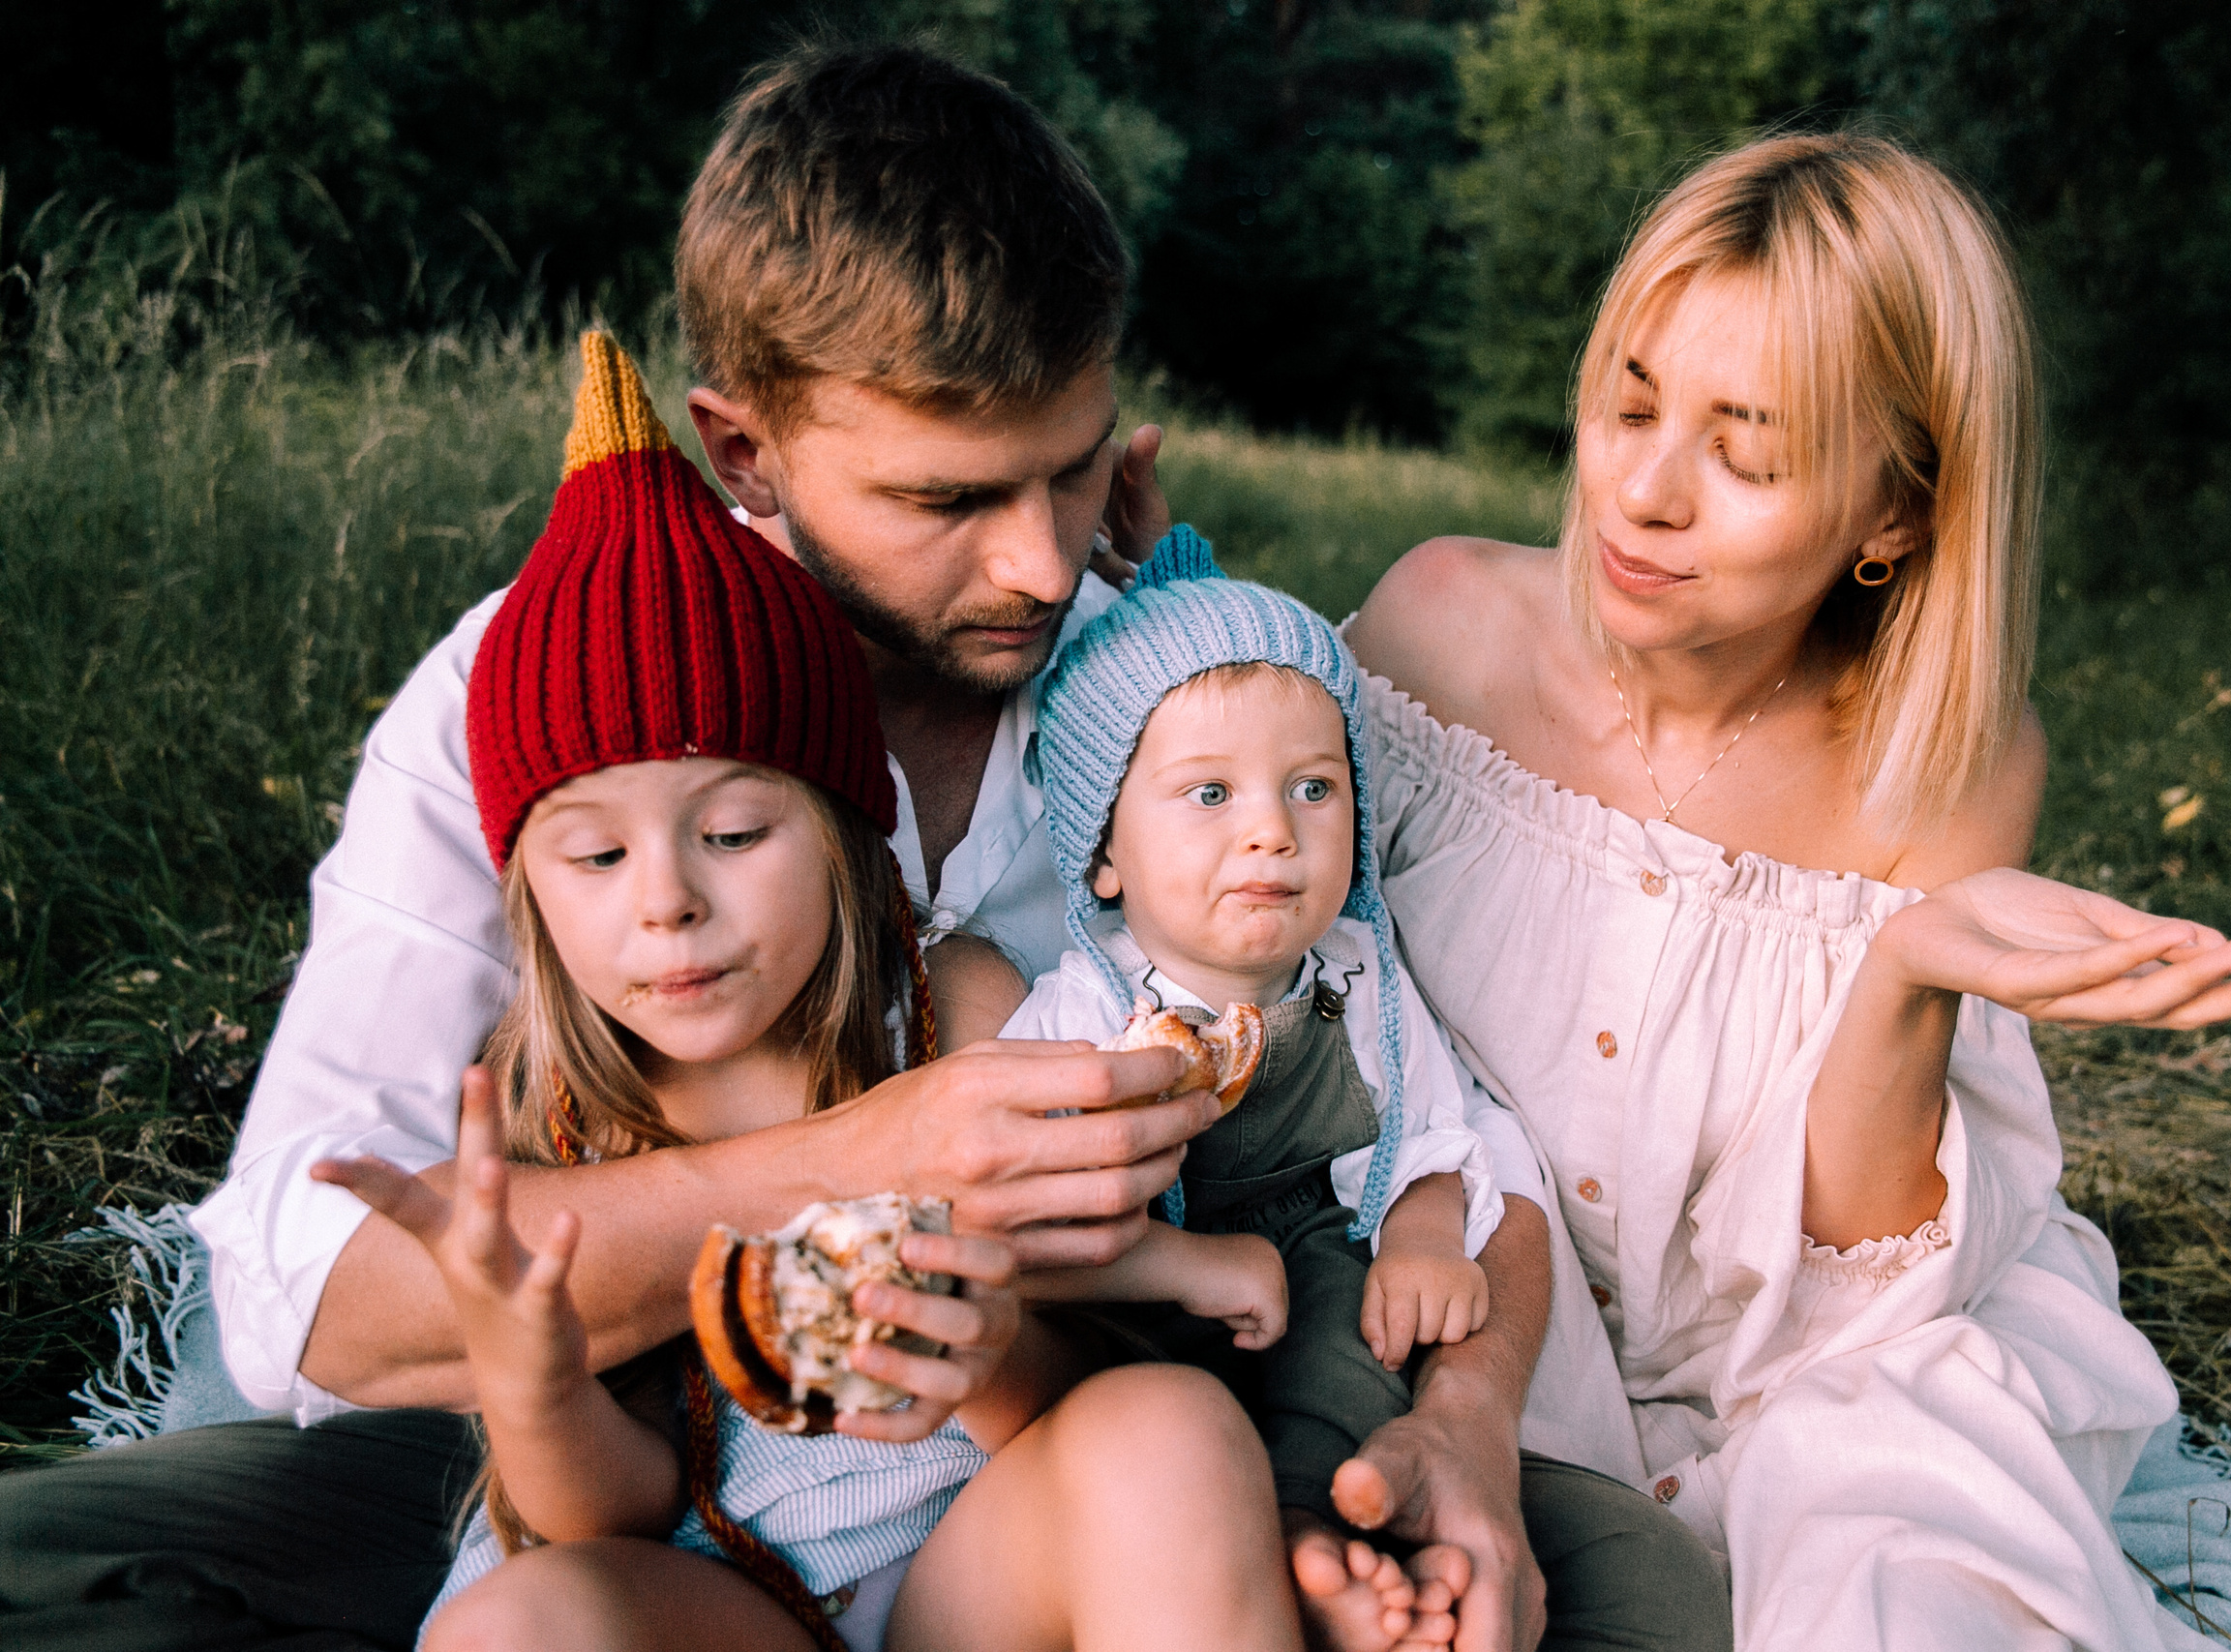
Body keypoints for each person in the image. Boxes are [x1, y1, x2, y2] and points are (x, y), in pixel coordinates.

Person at [0, 40, 1724, 1652]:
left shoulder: (1170, 707)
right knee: (68, 1564)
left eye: (1065, 473)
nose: (1045, 566)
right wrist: (868, 1155)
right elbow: (327, 1300)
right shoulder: (547, 698)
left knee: (1641, 1589)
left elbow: (1421, 1109)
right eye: (948, 501)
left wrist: (1472, 1432)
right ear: (745, 447)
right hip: (560, 1454)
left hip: (1069, 1463)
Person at [1344, 133, 2231, 1652]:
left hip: (1820, 1354)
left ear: (1897, 514)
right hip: (1470, 1311)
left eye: (1745, 452)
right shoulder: (1439, 630)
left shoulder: (1943, 766)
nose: (1647, 493)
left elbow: (1859, 1281)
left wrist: (1913, 967)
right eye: (1630, 404)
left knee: (1911, 1536)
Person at [311, 331, 1300, 1652]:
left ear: (846, 826)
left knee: (1170, 1432)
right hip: (719, 1596)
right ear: (528, 891)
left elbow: (1099, 1376)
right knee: (524, 1618)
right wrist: (530, 1363)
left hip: (974, 1579)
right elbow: (615, 1505)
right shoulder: (571, 1121)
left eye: (732, 835)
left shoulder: (957, 1015)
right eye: (597, 854)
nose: (667, 898)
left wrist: (989, 1344)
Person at [1003, 531, 1541, 1650]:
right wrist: (1194, 1265)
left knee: (1348, 1307)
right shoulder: (1085, 1012)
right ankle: (1291, 1547)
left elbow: (1428, 1133)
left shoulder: (1359, 972)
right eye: (1209, 792)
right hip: (1148, 1318)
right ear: (1103, 850)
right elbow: (1033, 1211)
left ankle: (1323, 1520)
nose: (1271, 832)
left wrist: (1424, 1236)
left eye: (1313, 787)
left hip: (1320, 1306)